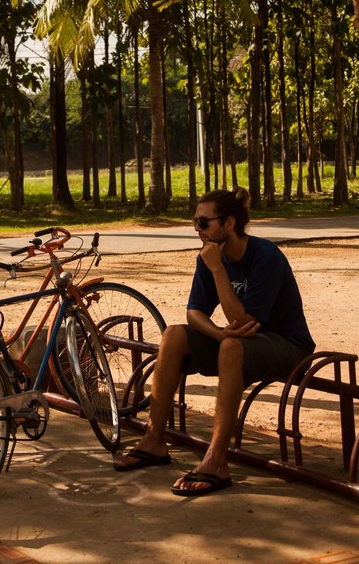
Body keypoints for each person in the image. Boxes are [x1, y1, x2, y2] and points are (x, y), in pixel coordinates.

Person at [113, 186, 315, 496]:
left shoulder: (265, 256)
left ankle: (216, 460)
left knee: (232, 346)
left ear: (229, 223)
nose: (198, 230)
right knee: (174, 335)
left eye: (204, 223)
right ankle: (154, 440)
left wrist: (218, 270)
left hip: (288, 346)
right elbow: (194, 312)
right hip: (242, 342)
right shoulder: (208, 256)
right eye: (195, 223)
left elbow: (242, 322)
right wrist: (219, 335)